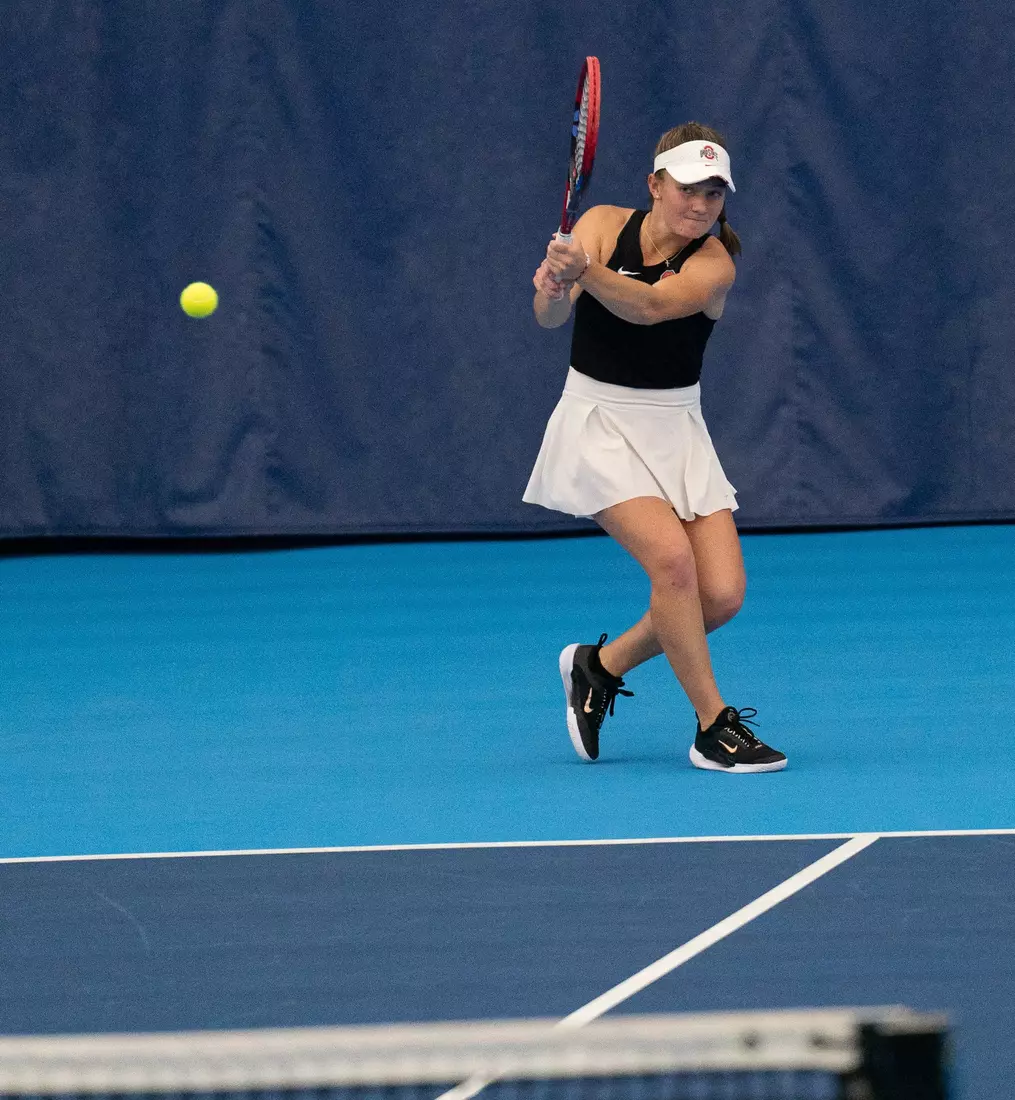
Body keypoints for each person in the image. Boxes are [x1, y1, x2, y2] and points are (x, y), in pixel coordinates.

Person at [524, 122, 786, 774]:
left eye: (713, 194)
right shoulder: (601, 225)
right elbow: (549, 318)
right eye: (688, 189)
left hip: (675, 427)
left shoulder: (713, 263)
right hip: (597, 420)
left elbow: (647, 307)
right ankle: (713, 725)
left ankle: (599, 666)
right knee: (672, 564)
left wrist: (585, 271)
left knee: (719, 596)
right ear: (655, 185)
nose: (700, 205)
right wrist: (553, 287)